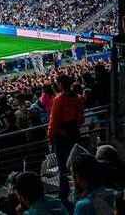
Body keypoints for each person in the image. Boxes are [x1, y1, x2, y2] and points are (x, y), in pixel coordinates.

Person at [48, 73, 85, 202]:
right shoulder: (78, 98)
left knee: (63, 167)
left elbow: (53, 121)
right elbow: (81, 119)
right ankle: (78, 189)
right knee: (75, 163)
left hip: (61, 137)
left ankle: (64, 195)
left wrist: (50, 136)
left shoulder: (58, 100)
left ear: (61, 85)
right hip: (74, 134)